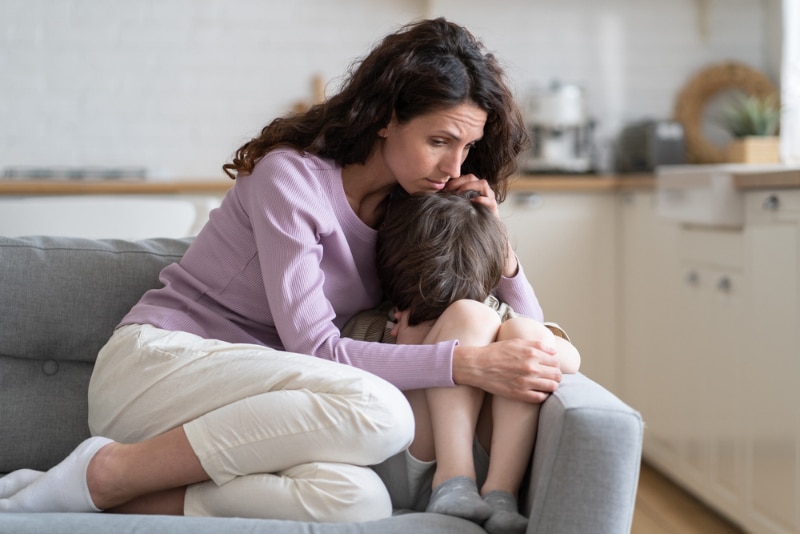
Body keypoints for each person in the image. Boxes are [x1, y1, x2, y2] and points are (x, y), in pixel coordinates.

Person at [0, 18, 563, 520]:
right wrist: (468, 365)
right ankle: (110, 471)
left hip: (264, 404)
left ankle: (102, 491)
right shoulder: (289, 180)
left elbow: (526, 336)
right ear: (387, 119)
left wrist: (503, 252)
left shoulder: (410, 209)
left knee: (359, 500)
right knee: (382, 412)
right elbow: (315, 351)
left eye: (466, 147)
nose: (452, 166)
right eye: (439, 141)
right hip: (161, 368)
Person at [342, 191, 580, 533]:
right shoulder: (379, 323)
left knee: (520, 330)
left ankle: (502, 494)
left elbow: (569, 358)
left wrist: (523, 337)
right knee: (472, 317)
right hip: (403, 462)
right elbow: (337, 376)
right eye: (426, 315)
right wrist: (412, 352)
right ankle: (453, 478)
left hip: (482, 477)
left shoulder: (494, 313)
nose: (436, 321)